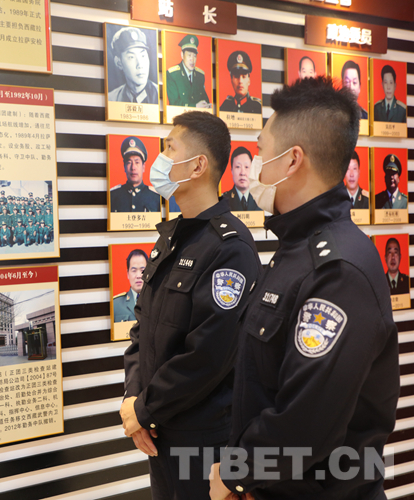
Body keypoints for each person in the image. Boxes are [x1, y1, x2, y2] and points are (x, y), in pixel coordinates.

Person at [209, 76, 399, 500]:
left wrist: (237, 473)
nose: (255, 167)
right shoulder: (297, 249)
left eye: (261, 152)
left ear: (292, 160)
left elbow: (306, 422)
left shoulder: (339, 270)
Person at [121, 111, 261, 498]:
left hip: (203, 441)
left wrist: (144, 410)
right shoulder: (171, 239)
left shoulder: (230, 247)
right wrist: (133, 400)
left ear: (197, 166)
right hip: (159, 431)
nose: (160, 159)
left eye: (169, 148)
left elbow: (208, 355)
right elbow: (142, 328)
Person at [108, 27, 159, 104]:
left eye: (143, 56)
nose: (140, 65)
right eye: (131, 57)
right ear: (119, 62)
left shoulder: (160, 95)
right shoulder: (112, 99)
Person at [110, 137, 161, 213]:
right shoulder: (113, 195)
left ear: (143, 167)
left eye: (137, 162)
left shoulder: (156, 197)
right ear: (124, 166)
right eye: (129, 162)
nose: (133, 167)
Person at [165, 35, 210, 108]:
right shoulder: (173, 75)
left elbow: (205, 99)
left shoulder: (200, 76)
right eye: (189, 55)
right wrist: (195, 106)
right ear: (182, 55)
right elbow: (174, 103)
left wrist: (207, 105)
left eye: (194, 56)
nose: (192, 59)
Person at [112, 249, 147, 322]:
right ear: (128, 274)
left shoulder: (158, 303)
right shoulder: (115, 305)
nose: (138, 276)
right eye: (134, 270)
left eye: (142, 271)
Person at [221, 146, 260, 211]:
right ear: (232, 170)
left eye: (246, 167)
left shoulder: (260, 199)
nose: (242, 173)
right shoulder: (224, 200)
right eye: (238, 167)